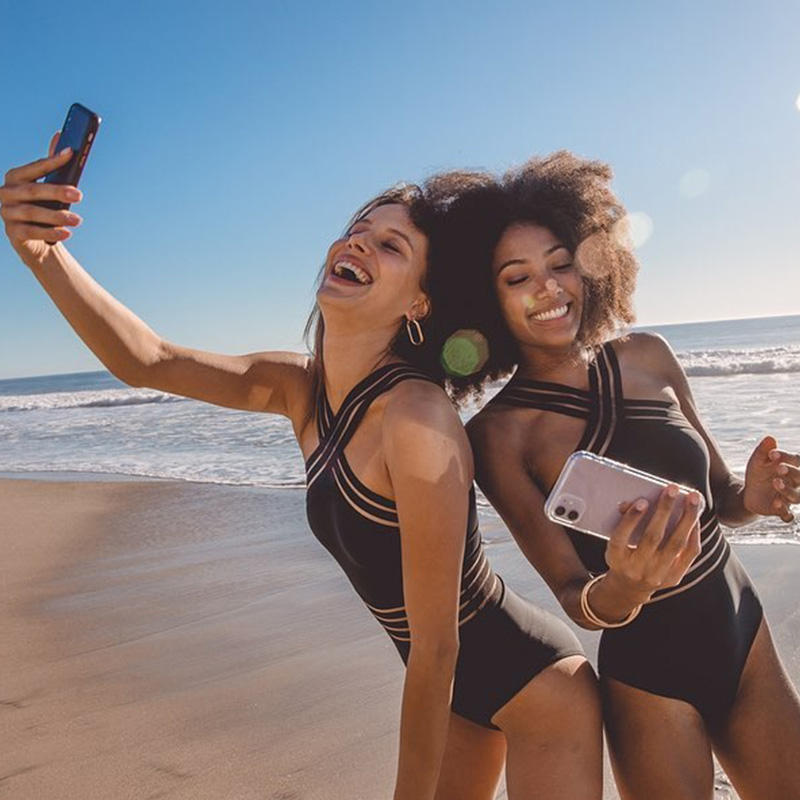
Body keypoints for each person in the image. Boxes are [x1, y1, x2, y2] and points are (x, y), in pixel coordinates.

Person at [1, 139, 603, 800]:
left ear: (420, 305)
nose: (359, 244)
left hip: (538, 694)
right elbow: (148, 359)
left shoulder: (415, 420)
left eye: (391, 247)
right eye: (357, 230)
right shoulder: (300, 388)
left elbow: (439, 648)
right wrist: (43, 253)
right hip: (454, 697)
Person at [439, 153, 800, 799]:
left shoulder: (649, 355)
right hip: (649, 678)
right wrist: (627, 587)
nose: (548, 288)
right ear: (485, 299)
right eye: (517, 276)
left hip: (744, 636)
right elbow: (577, 595)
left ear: (588, 260)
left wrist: (753, 495)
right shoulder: (497, 436)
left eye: (559, 262)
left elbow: (719, 501)